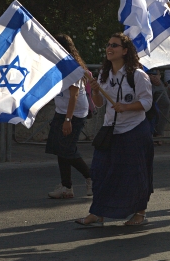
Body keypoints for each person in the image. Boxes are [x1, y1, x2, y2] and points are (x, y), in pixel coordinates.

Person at [75, 32, 154, 226]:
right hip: (111, 131)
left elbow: (147, 102)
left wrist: (126, 107)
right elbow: (100, 104)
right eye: (109, 44)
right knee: (100, 171)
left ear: (125, 51)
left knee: (136, 174)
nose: (109, 48)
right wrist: (95, 90)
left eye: (115, 45)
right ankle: (97, 212)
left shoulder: (137, 75)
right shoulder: (104, 73)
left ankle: (140, 213)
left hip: (134, 130)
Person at [45, 34, 92, 199]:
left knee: (67, 149)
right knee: (60, 149)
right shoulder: (58, 65)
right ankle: (66, 187)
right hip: (62, 111)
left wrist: (68, 120)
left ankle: (91, 177)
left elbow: (74, 96)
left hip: (74, 114)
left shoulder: (73, 67)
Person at [147, 68, 170, 144]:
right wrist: (148, 76)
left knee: (165, 103)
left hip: (155, 75)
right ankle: (148, 134)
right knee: (146, 104)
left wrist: (157, 75)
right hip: (142, 76)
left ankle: (158, 133)